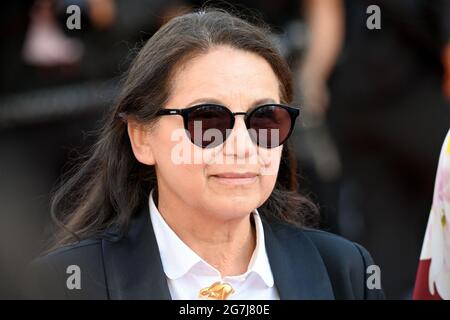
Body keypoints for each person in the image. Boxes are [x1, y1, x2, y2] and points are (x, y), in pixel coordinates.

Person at [28, 8, 384, 300]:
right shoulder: (60, 286)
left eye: (265, 119)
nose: (243, 146)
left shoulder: (345, 272)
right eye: (207, 120)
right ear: (141, 137)